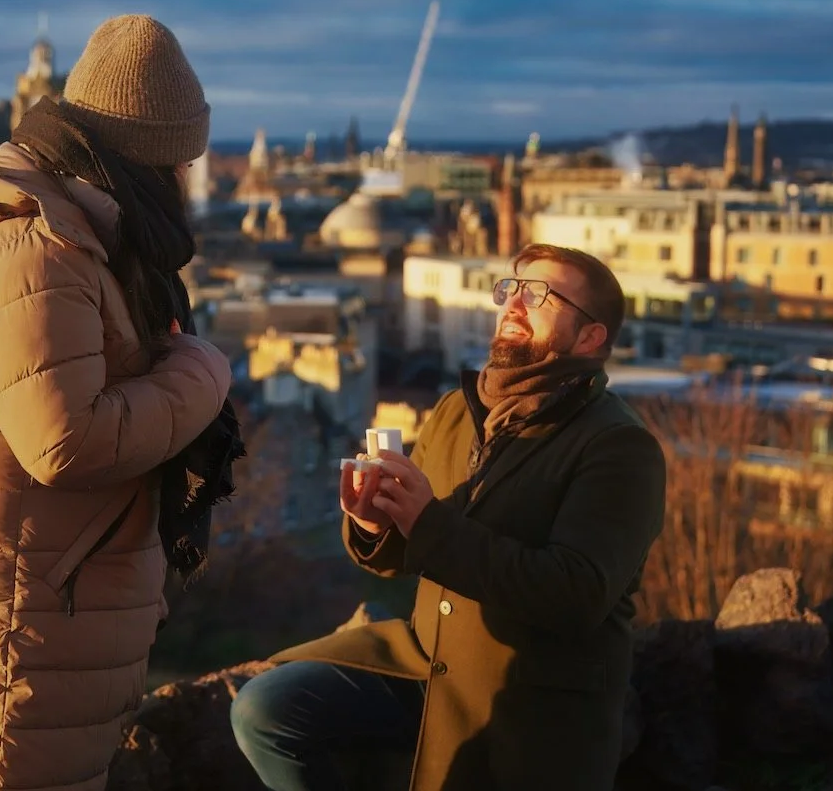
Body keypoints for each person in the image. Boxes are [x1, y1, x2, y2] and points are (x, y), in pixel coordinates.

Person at [0, 14, 239, 790]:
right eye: (178, 164)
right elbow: (64, 440)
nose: (184, 184)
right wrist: (201, 371)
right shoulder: (33, 246)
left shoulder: (75, 231)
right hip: (22, 616)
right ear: (146, 157)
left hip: (49, 595)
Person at [232, 244, 668, 791]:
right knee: (265, 710)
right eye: (512, 288)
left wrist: (428, 524)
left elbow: (576, 594)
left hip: (527, 695)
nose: (513, 304)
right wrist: (375, 524)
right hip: (425, 660)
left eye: (540, 296)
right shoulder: (456, 409)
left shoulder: (619, 445)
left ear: (590, 337)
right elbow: (406, 548)